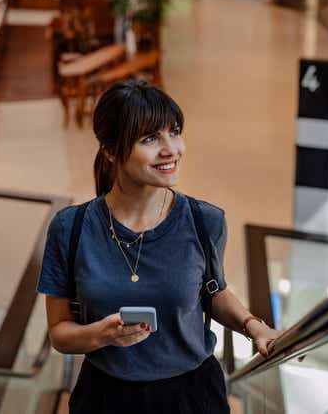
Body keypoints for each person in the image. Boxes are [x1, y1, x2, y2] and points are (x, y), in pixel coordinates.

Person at [38, 80, 281, 413]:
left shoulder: (204, 220)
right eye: (150, 138)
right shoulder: (71, 229)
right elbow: (59, 333)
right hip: (105, 397)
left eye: (175, 132)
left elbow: (213, 291)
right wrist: (102, 335)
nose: (171, 149)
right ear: (110, 150)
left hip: (192, 395)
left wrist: (254, 326)